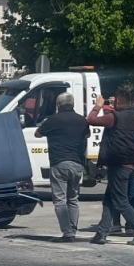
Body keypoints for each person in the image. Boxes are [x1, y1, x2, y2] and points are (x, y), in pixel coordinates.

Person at [87, 89, 134, 246]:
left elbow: (91, 119)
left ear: (117, 102)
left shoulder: (115, 117)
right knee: (109, 199)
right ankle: (101, 233)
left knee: (121, 202)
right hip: (131, 163)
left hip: (118, 163)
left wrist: (98, 106)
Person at [35, 92, 90, 242]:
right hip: (77, 163)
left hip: (59, 163)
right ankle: (72, 229)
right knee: (73, 199)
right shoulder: (81, 120)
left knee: (60, 200)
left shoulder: (53, 120)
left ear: (58, 106)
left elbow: (37, 134)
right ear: (72, 104)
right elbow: (87, 136)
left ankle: (68, 233)